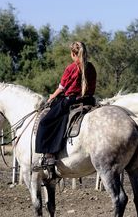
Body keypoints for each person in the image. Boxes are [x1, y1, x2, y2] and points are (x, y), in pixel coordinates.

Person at [33, 41, 97, 172]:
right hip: (89, 101)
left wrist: (51, 97)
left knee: (46, 122)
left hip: (72, 101)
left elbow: (62, 88)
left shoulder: (72, 68)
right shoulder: (91, 67)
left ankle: (49, 155)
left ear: (73, 54)